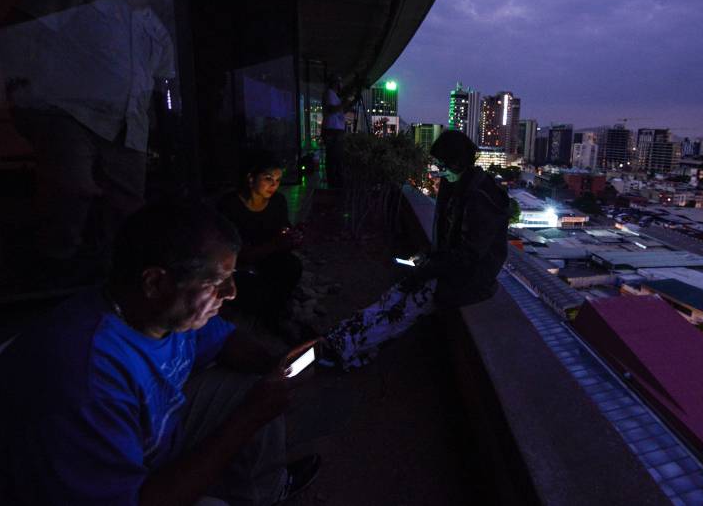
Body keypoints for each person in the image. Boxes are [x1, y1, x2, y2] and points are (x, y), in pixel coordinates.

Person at [0, 200, 321, 505]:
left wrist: (276, 365)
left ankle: (264, 493)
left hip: (147, 438)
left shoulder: (161, 311)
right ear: (155, 282)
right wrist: (248, 417)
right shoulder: (88, 376)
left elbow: (223, 340)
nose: (231, 293)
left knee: (259, 385)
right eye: (216, 282)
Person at [0, 0, 176, 274]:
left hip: (128, 128)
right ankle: (55, 270)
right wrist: (20, 90)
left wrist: (157, 121)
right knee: (70, 193)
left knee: (128, 210)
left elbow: (161, 78)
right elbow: (19, 30)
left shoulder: (153, 25)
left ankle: (112, 277)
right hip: (68, 113)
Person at [323, 130, 510, 369]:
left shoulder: (482, 196)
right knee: (395, 295)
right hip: (449, 267)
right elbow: (450, 242)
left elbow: (470, 255)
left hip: (470, 279)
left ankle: (347, 350)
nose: (439, 171)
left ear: (457, 162)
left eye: (442, 165)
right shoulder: (458, 185)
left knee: (405, 308)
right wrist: (429, 259)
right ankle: (342, 337)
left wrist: (430, 269)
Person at [218, 151, 304, 336]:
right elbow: (234, 254)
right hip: (237, 267)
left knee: (292, 266)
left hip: (268, 258)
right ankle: (265, 317)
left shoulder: (278, 202)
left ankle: (274, 313)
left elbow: (284, 228)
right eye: (268, 178)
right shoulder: (230, 205)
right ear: (250, 178)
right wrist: (275, 245)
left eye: (278, 180)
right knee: (252, 290)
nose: (274, 185)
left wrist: (293, 237)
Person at [320, 75, 355, 188]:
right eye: (340, 82)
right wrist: (344, 103)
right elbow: (331, 110)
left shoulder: (333, 95)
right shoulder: (329, 93)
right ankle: (334, 184)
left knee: (335, 158)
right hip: (332, 131)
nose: (341, 85)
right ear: (335, 83)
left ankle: (335, 183)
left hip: (335, 130)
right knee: (333, 159)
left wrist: (349, 103)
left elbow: (340, 111)